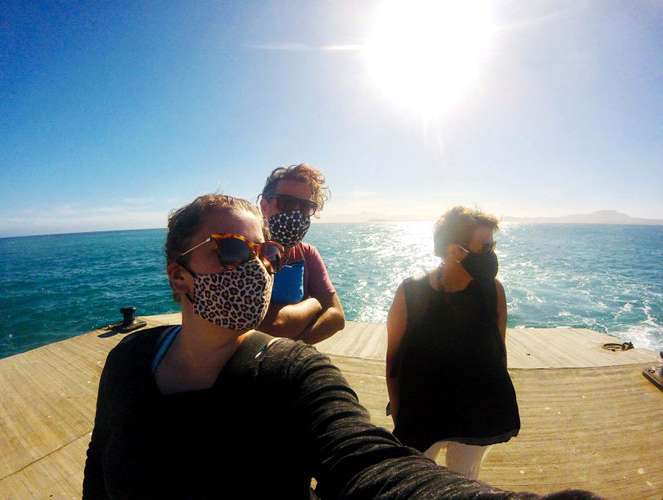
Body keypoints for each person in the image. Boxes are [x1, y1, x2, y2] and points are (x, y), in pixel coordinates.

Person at [83, 194, 597, 499]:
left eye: (266, 253)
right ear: (179, 274)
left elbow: (368, 464)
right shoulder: (128, 359)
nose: (257, 266)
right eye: (232, 248)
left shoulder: (294, 374)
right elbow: (98, 467)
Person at [386, 206, 521, 481]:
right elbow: (394, 360)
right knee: (416, 482)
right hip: (422, 411)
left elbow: (499, 349)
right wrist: (399, 412)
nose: (491, 255)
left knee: (463, 484)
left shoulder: (493, 290)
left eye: (492, 245)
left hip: (476, 412)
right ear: (453, 249)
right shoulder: (411, 292)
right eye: (484, 248)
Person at [257, 163, 344, 344]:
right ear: (265, 206)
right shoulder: (248, 251)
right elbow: (273, 325)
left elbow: (336, 316)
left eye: (305, 207)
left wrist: (292, 349)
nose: (295, 213)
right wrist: (314, 303)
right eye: (285, 203)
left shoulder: (307, 253)